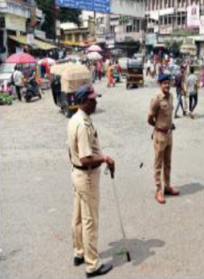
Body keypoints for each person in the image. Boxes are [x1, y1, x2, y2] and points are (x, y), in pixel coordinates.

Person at [67, 84, 116, 278]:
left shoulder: (74, 119)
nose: (96, 102)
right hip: (86, 176)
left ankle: (79, 252)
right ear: (83, 102)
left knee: (78, 217)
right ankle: (92, 265)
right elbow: (86, 159)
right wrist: (105, 159)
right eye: (92, 99)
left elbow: (70, 151)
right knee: (89, 221)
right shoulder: (83, 125)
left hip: (77, 173)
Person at [147, 73, 180, 204]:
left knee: (168, 163)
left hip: (169, 134)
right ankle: (158, 190)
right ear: (160, 84)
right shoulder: (156, 99)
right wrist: (158, 127)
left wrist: (169, 126)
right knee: (158, 164)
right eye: (164, 83)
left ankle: (167, 187)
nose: (167, 85)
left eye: (168, 82)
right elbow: (149, 118)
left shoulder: (171, 96)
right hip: (159, 136)